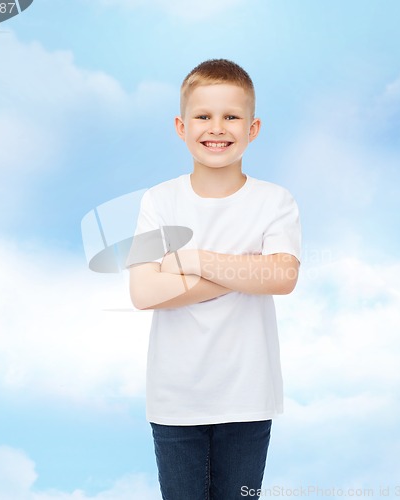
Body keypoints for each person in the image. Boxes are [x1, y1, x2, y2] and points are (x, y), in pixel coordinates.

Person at [128, 59, 301, 500]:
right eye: (203, 116)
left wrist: (191, 259)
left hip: (248, 395)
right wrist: (246, 271)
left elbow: (282, 276)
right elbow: (144, 291)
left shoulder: (274, 201)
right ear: (181, 126)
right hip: (174, 398)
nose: (216, 128)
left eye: (231, 116)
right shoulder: (160, 201)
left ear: (253, 127)